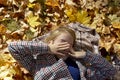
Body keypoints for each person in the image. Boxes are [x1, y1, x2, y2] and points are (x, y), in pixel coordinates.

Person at [8, 23, 116, 80]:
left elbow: (109, 71)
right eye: (63, 41)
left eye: (71, 43)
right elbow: (14, 48)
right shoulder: (36, 64)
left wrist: (84, 55)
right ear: (51, 42)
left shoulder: (81, 68)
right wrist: (49, 49)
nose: (67, 45)